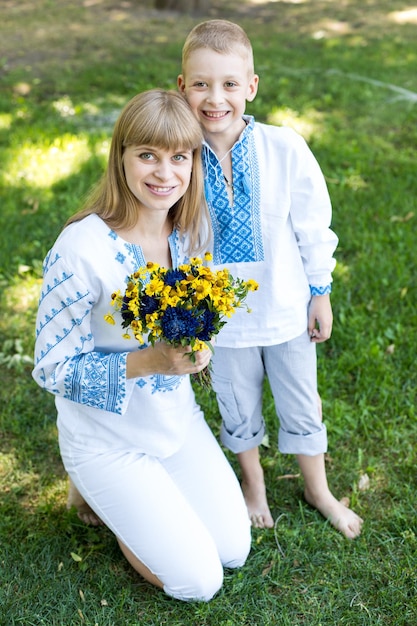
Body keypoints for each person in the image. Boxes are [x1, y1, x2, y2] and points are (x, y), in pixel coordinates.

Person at [32, 89, 251, 602]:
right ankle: (98, 489)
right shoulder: (80, 249)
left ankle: (144, 503)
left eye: (179, 157)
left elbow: (204, 310)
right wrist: (150, 360)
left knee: (233, 549)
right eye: (147, 155)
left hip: (173, 422)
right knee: (199, 583)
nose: (165, 174)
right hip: (107, 439)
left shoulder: (190, 230)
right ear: (122, 156)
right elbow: (51, 368)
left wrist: (200, 345)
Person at [177, 20, 364, 539]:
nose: (216, 98)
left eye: (230, 84)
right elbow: (175, 244)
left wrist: (320, 292)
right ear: (181, 87)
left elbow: (312, 224)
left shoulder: (284, 148)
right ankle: (253, 484)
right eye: (201, 84)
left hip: (285, 310)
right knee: (237, 405)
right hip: (223, 323)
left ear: (251, 87)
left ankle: (317, 488)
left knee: (302, 400)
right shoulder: (179, 161)